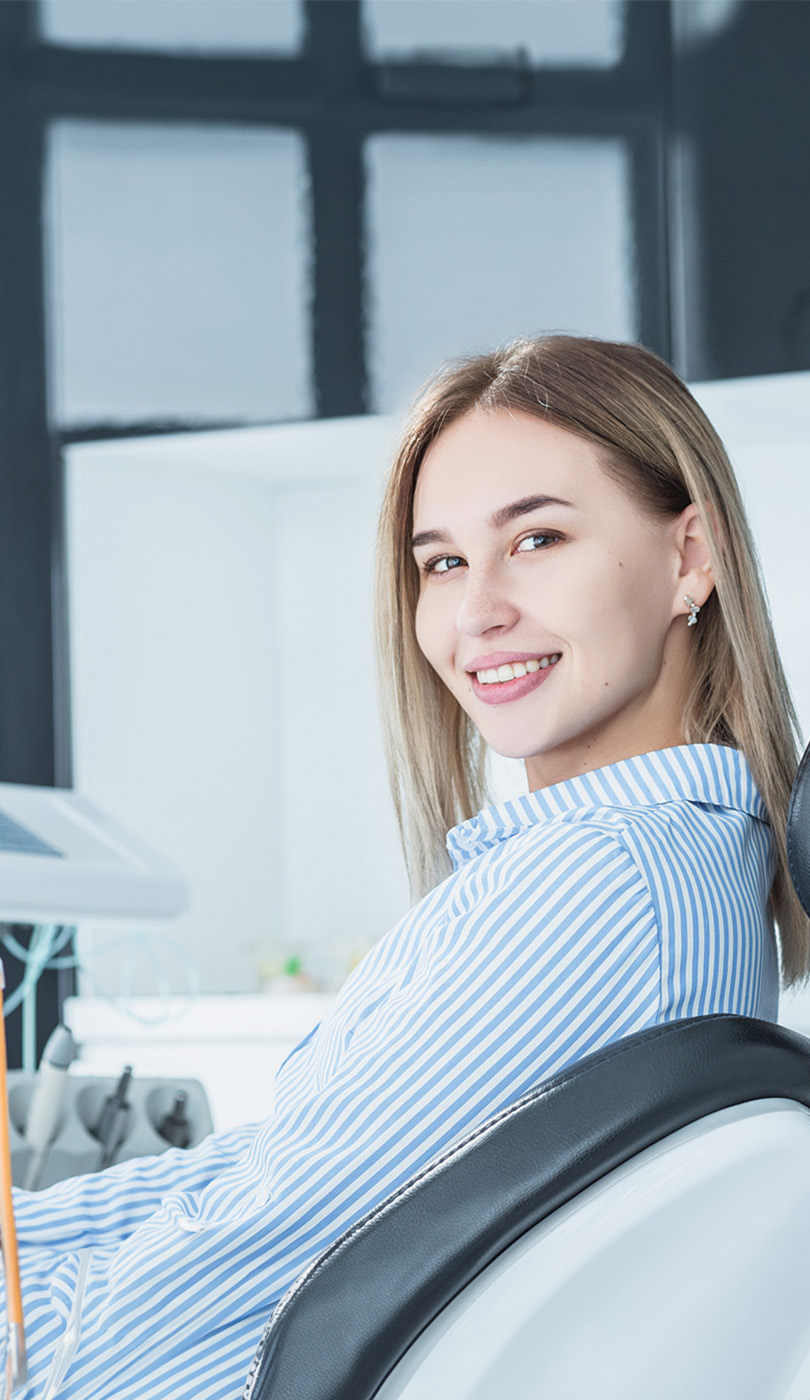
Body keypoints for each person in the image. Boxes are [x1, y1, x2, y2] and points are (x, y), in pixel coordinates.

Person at [7, 335, 809, 1399]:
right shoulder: (683, 868)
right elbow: (254, 1182)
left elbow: (208, 1283)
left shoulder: (594, 890)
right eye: (441, 562)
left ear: (690, 555)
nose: (477, 610)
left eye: (538, 537)